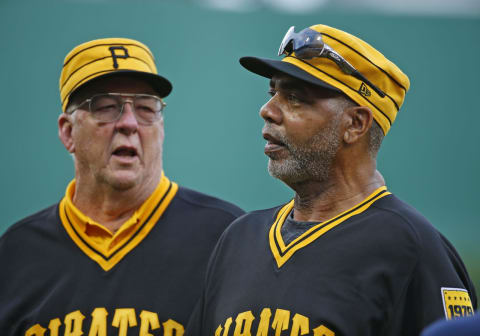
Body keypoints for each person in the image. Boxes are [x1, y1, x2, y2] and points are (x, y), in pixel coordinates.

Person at [185, 25, 477, 336]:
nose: (267, 110)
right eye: (273, 93)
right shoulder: (239, 238)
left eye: (295, 97)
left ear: (355, 124)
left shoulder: (411, 248)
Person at [0, 38, 244, 335]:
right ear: (68, 133)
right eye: (105, 107)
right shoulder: (16, 252)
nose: (129, 123)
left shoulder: (227, 237)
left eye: (145, 108)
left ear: (161, 127)